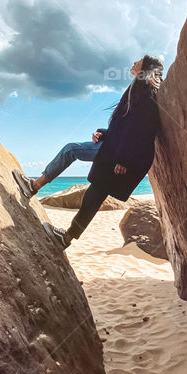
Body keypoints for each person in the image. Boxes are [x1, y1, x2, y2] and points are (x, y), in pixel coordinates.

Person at [21, 54, 163, 249]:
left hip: (118, 156)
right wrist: (103, 133)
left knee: (76, 158)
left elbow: (140, 133)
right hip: (113, 150)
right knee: (94, 193)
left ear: (145, 67)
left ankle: (35, 187)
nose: (133, 63)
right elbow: (123, 128)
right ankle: (65, 236)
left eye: (138, 61)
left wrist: (124, 160)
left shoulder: (146, 97)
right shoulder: (137, 91)